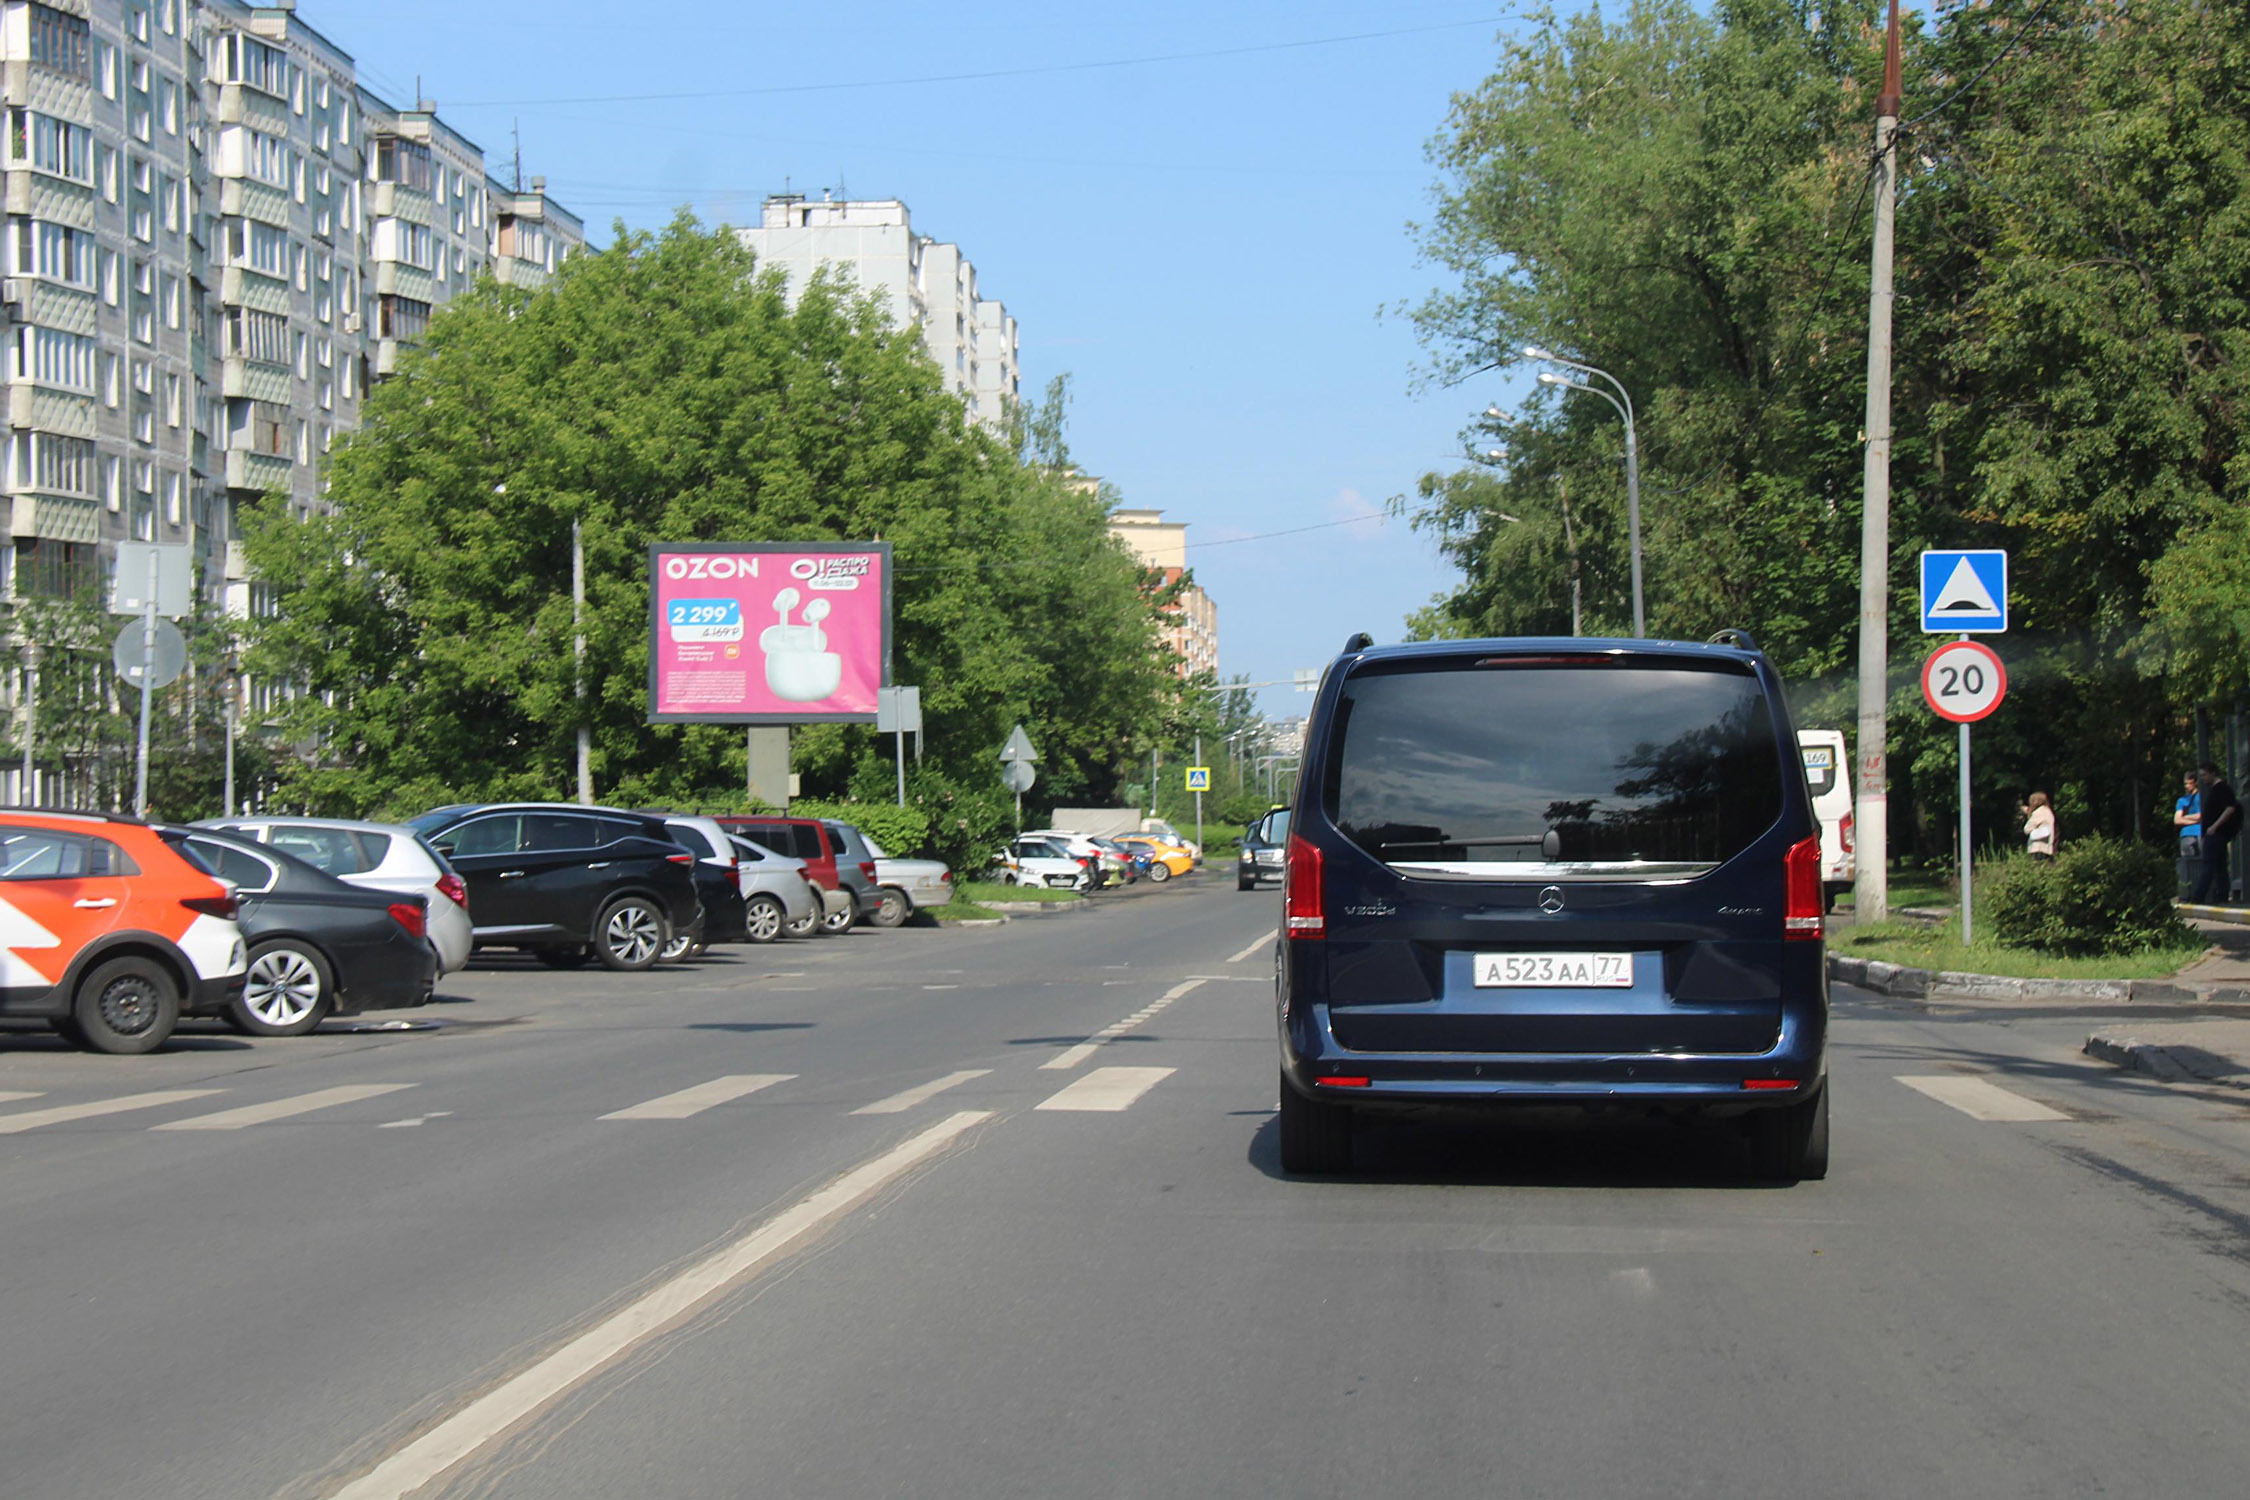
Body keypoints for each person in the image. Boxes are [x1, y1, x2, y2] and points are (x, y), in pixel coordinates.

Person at [2191, 762, 2241, 904]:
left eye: (2204, 775)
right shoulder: (2215, 789)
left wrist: (2214, 826)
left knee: (2208, 865)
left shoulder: (2222, 789)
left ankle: (2199, 896)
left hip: (2216, 834)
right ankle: (2222, 895)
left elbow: (2230, 808)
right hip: (2216, 834)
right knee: (2220, 866)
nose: (2203, 779)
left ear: (2213, 773)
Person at [2175, 770, 2204, 899]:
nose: (2187, 786)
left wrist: (2185, 817)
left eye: (2189, 783)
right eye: (2185, 784)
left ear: (2195, 782)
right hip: (2187, 835)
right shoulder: (2182, 800)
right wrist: (2195, 818)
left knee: (2203, 863)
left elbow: (2202, 816)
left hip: (2200, 832)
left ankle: (2201, 893)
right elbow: (2177, 820)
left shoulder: (2201, 797)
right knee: (2187, 865)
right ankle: (2189, 893)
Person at [2022, 791, 2057, 861]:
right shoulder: (2048, 811)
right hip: (2048, 848)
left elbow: (2027, 829)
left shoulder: (2038, 813)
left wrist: (2029, 815)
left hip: (2038, 848)